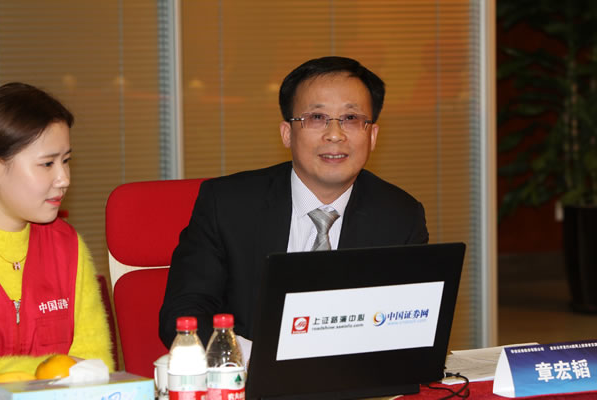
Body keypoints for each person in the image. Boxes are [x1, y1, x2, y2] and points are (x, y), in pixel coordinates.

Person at [159, 56, 429, 346]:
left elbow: (409, 328)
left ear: (372, 135)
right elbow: (184, 314)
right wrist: (253, 359)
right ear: (287, 133)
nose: (335, 135)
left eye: (351, 119)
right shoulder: (227, 205)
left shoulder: (400, 217)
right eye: (317, 118)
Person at [0, 82, 114, 374]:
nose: (64, 179)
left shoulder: (67, 246)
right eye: (47, 164)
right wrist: (51, 371)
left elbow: (96, 366)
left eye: (66, 161)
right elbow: (74, 370)